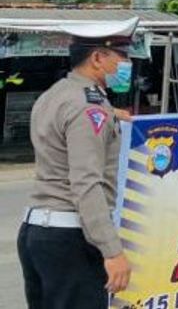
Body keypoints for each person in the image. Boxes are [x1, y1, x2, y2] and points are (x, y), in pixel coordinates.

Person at [19, 23, 137, 309]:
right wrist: (111, 251)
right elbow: (86, 182)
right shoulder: (89, 108)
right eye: (121, 55)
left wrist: (110, 114)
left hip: (36, 233)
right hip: (70, 240)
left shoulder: (55, 95)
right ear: (98, 58)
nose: (127, 64)